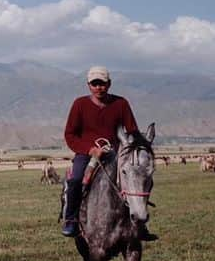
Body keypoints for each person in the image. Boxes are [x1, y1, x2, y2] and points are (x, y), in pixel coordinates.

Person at [61, 65, 156, 240]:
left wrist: (132, 148)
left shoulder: (121, 104)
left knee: (136, 179)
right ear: (88, 85)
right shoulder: (79, 104)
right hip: (87, 153)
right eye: (94, 84)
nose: (98, 87)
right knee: (75, 180)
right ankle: (71, 219)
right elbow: (70, 135)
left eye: (102, 83)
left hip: (116, 153)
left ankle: (140, 223)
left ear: (109, 84)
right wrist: (90, 149)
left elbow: (132, 130)